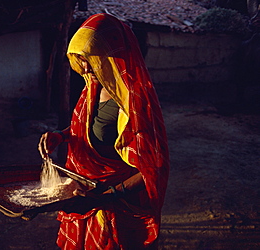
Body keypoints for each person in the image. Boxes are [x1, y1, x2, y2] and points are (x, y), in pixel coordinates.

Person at [38, 13, 169, 249]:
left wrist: (107, 196)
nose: (84, 66)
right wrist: (61, 135)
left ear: (113, 53)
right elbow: (90, 129)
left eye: (90, 57)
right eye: (81, 58)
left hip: (114, 206)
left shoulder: (134, 103)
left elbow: (153, 169)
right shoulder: (93, 88)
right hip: (83, 192)